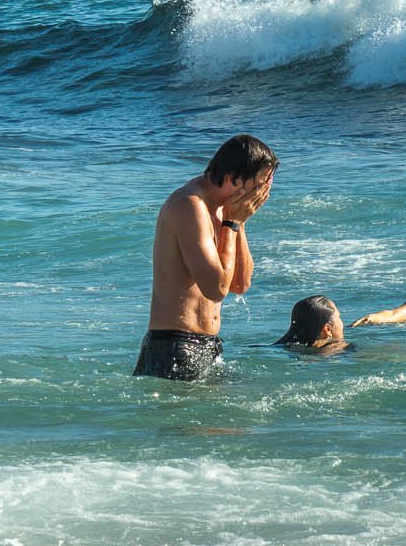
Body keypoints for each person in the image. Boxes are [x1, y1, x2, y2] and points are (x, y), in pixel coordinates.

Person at [134, 133, 277, 381]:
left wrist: (238, 223)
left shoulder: (225, 209)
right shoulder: (190, 204)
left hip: (207, 344)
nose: (263, 193)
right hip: (175, 346)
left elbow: (240, 284)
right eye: (260, 184)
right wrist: (232, 222)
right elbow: (216, 288)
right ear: (233, 178)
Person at [277, 295, 346, 354]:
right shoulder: (341, 349)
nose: (342, 323)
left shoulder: (283, 347)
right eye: (339, 317)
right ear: (327, 329)